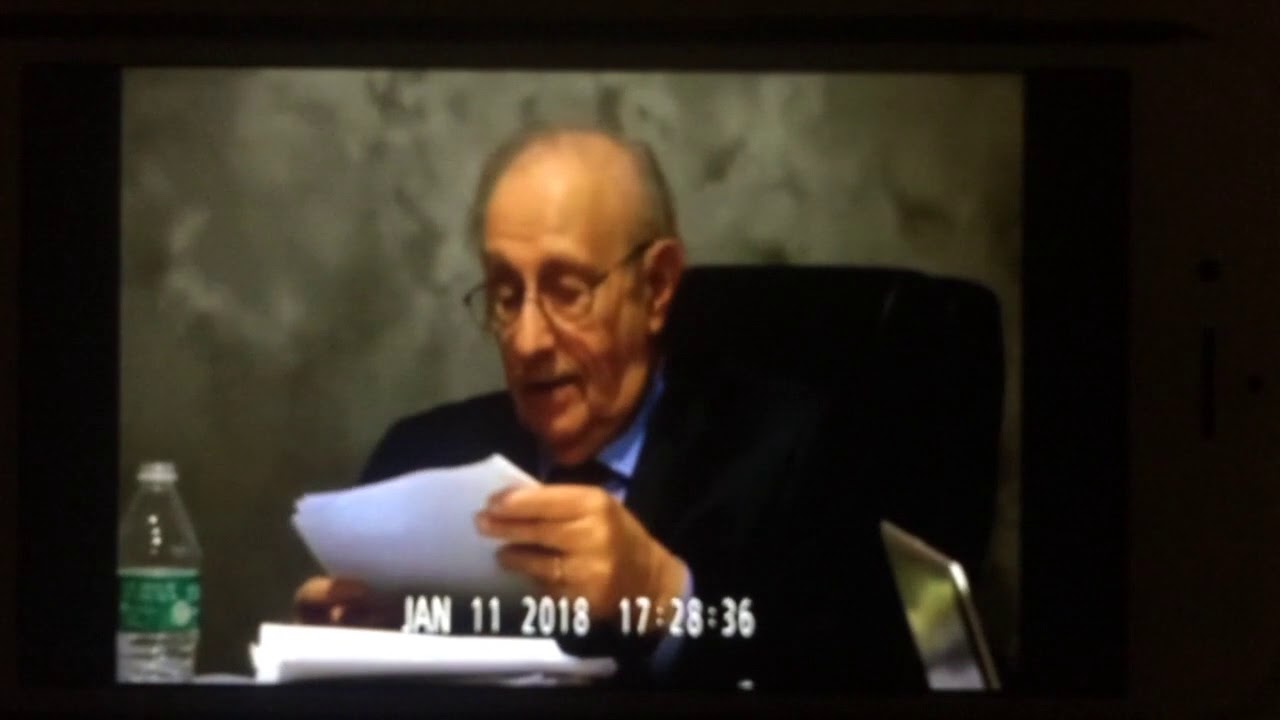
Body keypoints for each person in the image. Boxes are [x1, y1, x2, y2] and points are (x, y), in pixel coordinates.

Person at [294, 125, 926, 692]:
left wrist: (665, 599)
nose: (527, 341)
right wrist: (347, 651)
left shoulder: (792, 457)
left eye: (567, 291)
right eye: (506, 294)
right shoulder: (419, 455)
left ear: (656, 287)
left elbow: (853, 678)